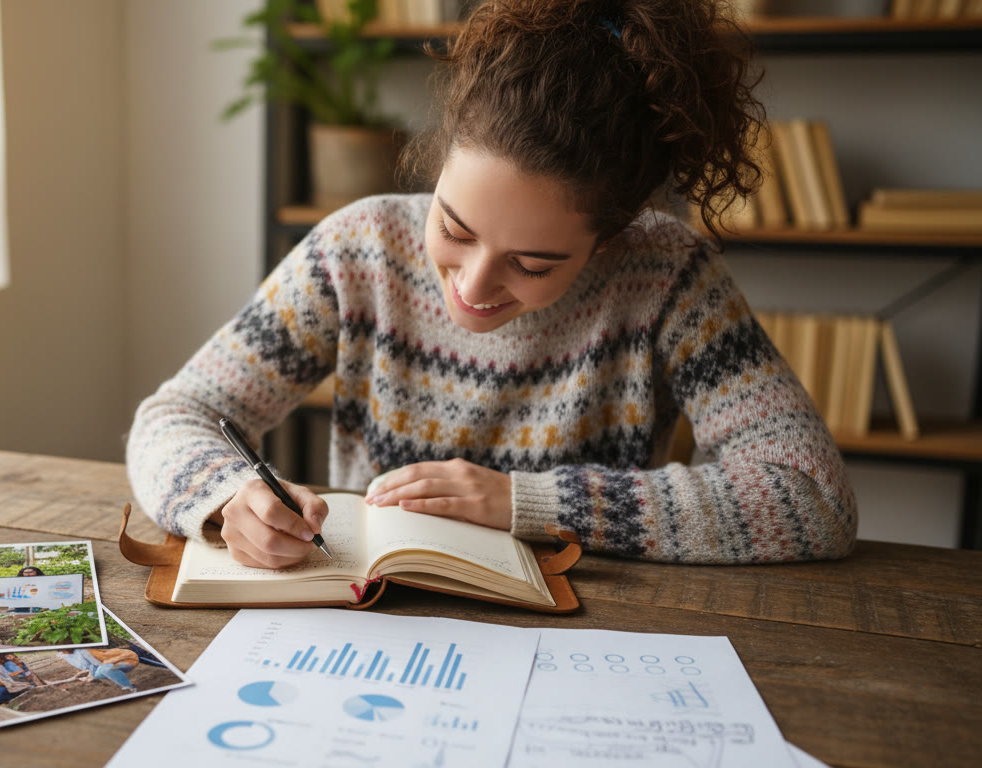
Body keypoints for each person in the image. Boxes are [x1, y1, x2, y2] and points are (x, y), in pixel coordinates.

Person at [126, 0, 856, 570]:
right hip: (374, 620)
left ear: (610, 235)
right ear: (438, 163)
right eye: (455, 228)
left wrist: (528, 502)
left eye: (533, 264)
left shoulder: (668, 275)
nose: (474, 286)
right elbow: (178, 413)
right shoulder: (360, 249)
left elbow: (810, 495)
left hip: (593, 633)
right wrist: (225, 498)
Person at [57, 647, 138, 693]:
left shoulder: (82, 650)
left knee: (104, 670)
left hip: (121, 661)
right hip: (103, 666)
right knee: (98, 674)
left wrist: (90, 675)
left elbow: (97, 663)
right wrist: (90, 675)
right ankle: (120, 677)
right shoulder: (66, 656)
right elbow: (89, 667)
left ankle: (129, 687)